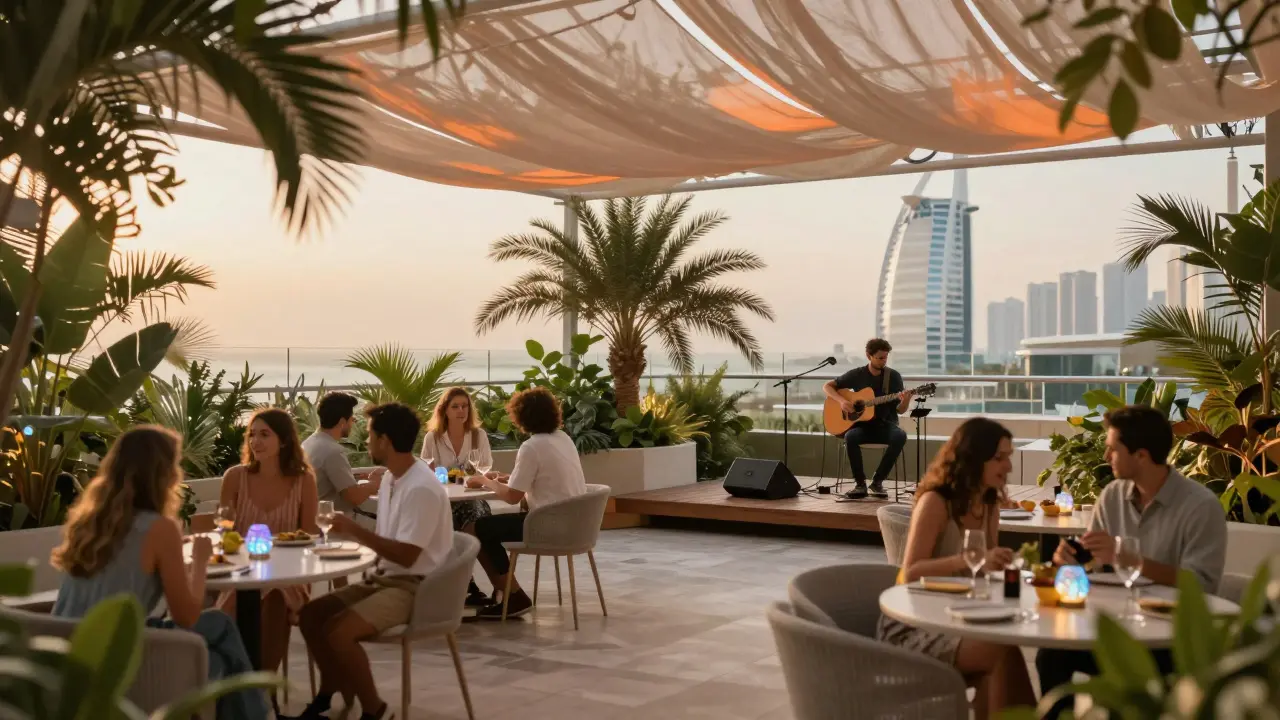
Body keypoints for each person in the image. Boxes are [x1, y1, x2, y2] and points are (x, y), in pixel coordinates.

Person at [51, 426, 268, 720]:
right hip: (117, 659)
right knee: (221, 641)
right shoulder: (158, 527)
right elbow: (187, 616)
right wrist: (201, 560)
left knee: (217, 638)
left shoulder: (89, 522)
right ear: (161, 473)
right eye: (175, 465)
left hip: (65, 654)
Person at [1035, 404, 1227, 719]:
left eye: (1113, 450)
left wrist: (1132, 560)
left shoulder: (1200, 507)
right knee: (1052, 654)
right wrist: (1068, 559)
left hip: (1172, 642)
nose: (1106, 457)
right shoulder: (1112, 496)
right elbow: (1092, 559)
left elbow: (1201, 584)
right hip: (1117, 630)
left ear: (1141, 455)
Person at [285, 402, 452, 720]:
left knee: (339, 632)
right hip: (384, 578)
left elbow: (406, 554)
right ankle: (331, 693)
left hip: (416, 586)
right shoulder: (391, 479)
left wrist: (353, 532)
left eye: (371, 436)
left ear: (385, 441)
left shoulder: (421, 488)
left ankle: (375, 710)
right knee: (311, 616)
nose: (366, 442)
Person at [878, 417, 1035, 719]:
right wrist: (967, 559)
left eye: (1009, 457)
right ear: (974, 459)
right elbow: (909, 572)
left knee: (1004, 651)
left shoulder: (988, 504)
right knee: (1001, 652)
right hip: (914, 625)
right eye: (1000, 458)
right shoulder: (936, 502)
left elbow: (982, 572)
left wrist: (1001, 565)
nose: (1009, 467)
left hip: (959, 617)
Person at [218, 408, 319, 690]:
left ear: (284, 441)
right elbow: (224, 530)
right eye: (252, 435)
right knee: (243, 598)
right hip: (243, 571)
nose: (255, 442)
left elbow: (309, 534)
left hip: (288, 572)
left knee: (276, 596)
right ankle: (241, 686)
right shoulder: (235, 477)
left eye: (265, 434)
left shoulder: (304, 480)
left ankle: (261, 690)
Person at [465, 386, 586, 619]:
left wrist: (483, 481)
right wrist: (505, 478)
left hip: (546, 525)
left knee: (475, 529)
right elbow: (543, 479)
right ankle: (508, 593)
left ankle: (513, 596)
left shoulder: (531, 446)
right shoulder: (563, 439)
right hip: (575, 524)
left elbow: (512, 497)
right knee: (482, 527)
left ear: (521, 416)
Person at [421, 387, 508, 606]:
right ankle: (472, 584)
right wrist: (462, 476)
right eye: (455, 406)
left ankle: (475, 584)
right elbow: (429, 471)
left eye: (465, 406)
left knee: (475, 519)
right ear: (445, 410)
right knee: (453, 521)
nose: (461, 411)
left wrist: (452, 475)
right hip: (444, 502)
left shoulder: (478, 435)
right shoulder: (433, 437)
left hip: (473, 498)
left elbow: (485, 467)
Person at [822, 338, 914, 500]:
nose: (883, 361)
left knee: (900, 436)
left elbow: (900, 410)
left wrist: (906, 399)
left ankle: (877, 482)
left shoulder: (893, 377)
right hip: (863, 426)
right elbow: (827, 386)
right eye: (879, 358)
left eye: (885, 357)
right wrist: (843, 401)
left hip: (886, 425)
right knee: (851, 437)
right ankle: (860, 484)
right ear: (868, 356)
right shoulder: (857, 374)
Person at [302, 392, 380, 514]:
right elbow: (354, 497)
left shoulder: (309, 443)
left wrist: (355, 478)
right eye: (351, 418)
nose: (353, 422)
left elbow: (328, 481)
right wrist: (374, 484)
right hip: (333, 524)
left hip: (313, 516)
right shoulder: (332, 451)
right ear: (342, 422)